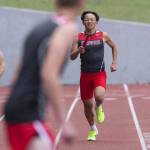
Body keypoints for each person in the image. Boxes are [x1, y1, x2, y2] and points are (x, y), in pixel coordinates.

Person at [4, 0, 85, 150]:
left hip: (15, 106)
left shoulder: (39, 29)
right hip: (28, 109)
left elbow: (18, 72)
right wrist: (63, 122)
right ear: (81, 3)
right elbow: (49, 73)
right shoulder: (67, 28)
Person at [71, 11, 118, 141]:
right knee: (87, 105)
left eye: (92, 19)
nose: (89, 21)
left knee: (99, 96)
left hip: (99, 74)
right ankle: (92, 129)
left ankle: (99, 106)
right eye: (87, 19)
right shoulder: (77, 37)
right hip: (85, 75)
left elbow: (114, 47)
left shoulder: (103, 35)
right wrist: (77, 51)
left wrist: (114, 62)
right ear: (83, 22)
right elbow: (71, 56)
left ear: (96, 22)